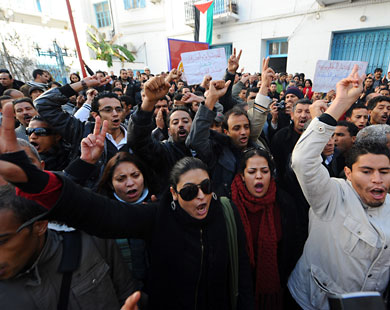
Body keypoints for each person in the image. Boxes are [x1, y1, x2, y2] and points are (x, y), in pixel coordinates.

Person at [0, 105, 255, 309]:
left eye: (207, 187)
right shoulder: (157, 217)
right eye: (189, 191)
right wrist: (37, 182)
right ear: (174, 194)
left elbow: (242, 273)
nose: (201, 197)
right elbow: (101, 214)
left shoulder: (226, 212)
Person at [288, 65, 390, 309]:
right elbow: (303, 160)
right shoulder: (332, 195)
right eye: (366, 172)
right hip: (312, 301)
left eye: (384, 172)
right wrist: (339, 105)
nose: (377, 179)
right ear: (348, 173)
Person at [231, 147, 304, 310]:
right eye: (252, 172)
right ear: (242, 176)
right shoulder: (229, 205)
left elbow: (294, 246)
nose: (259, 176)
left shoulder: (284, 203)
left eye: (264, 171)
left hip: (276, 289)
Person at [97, 152, 159, 289]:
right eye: (121, 179)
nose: (130, 183)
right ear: (111, 184)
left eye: (135, 176)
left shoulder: (160, 206)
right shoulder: (105, 215)